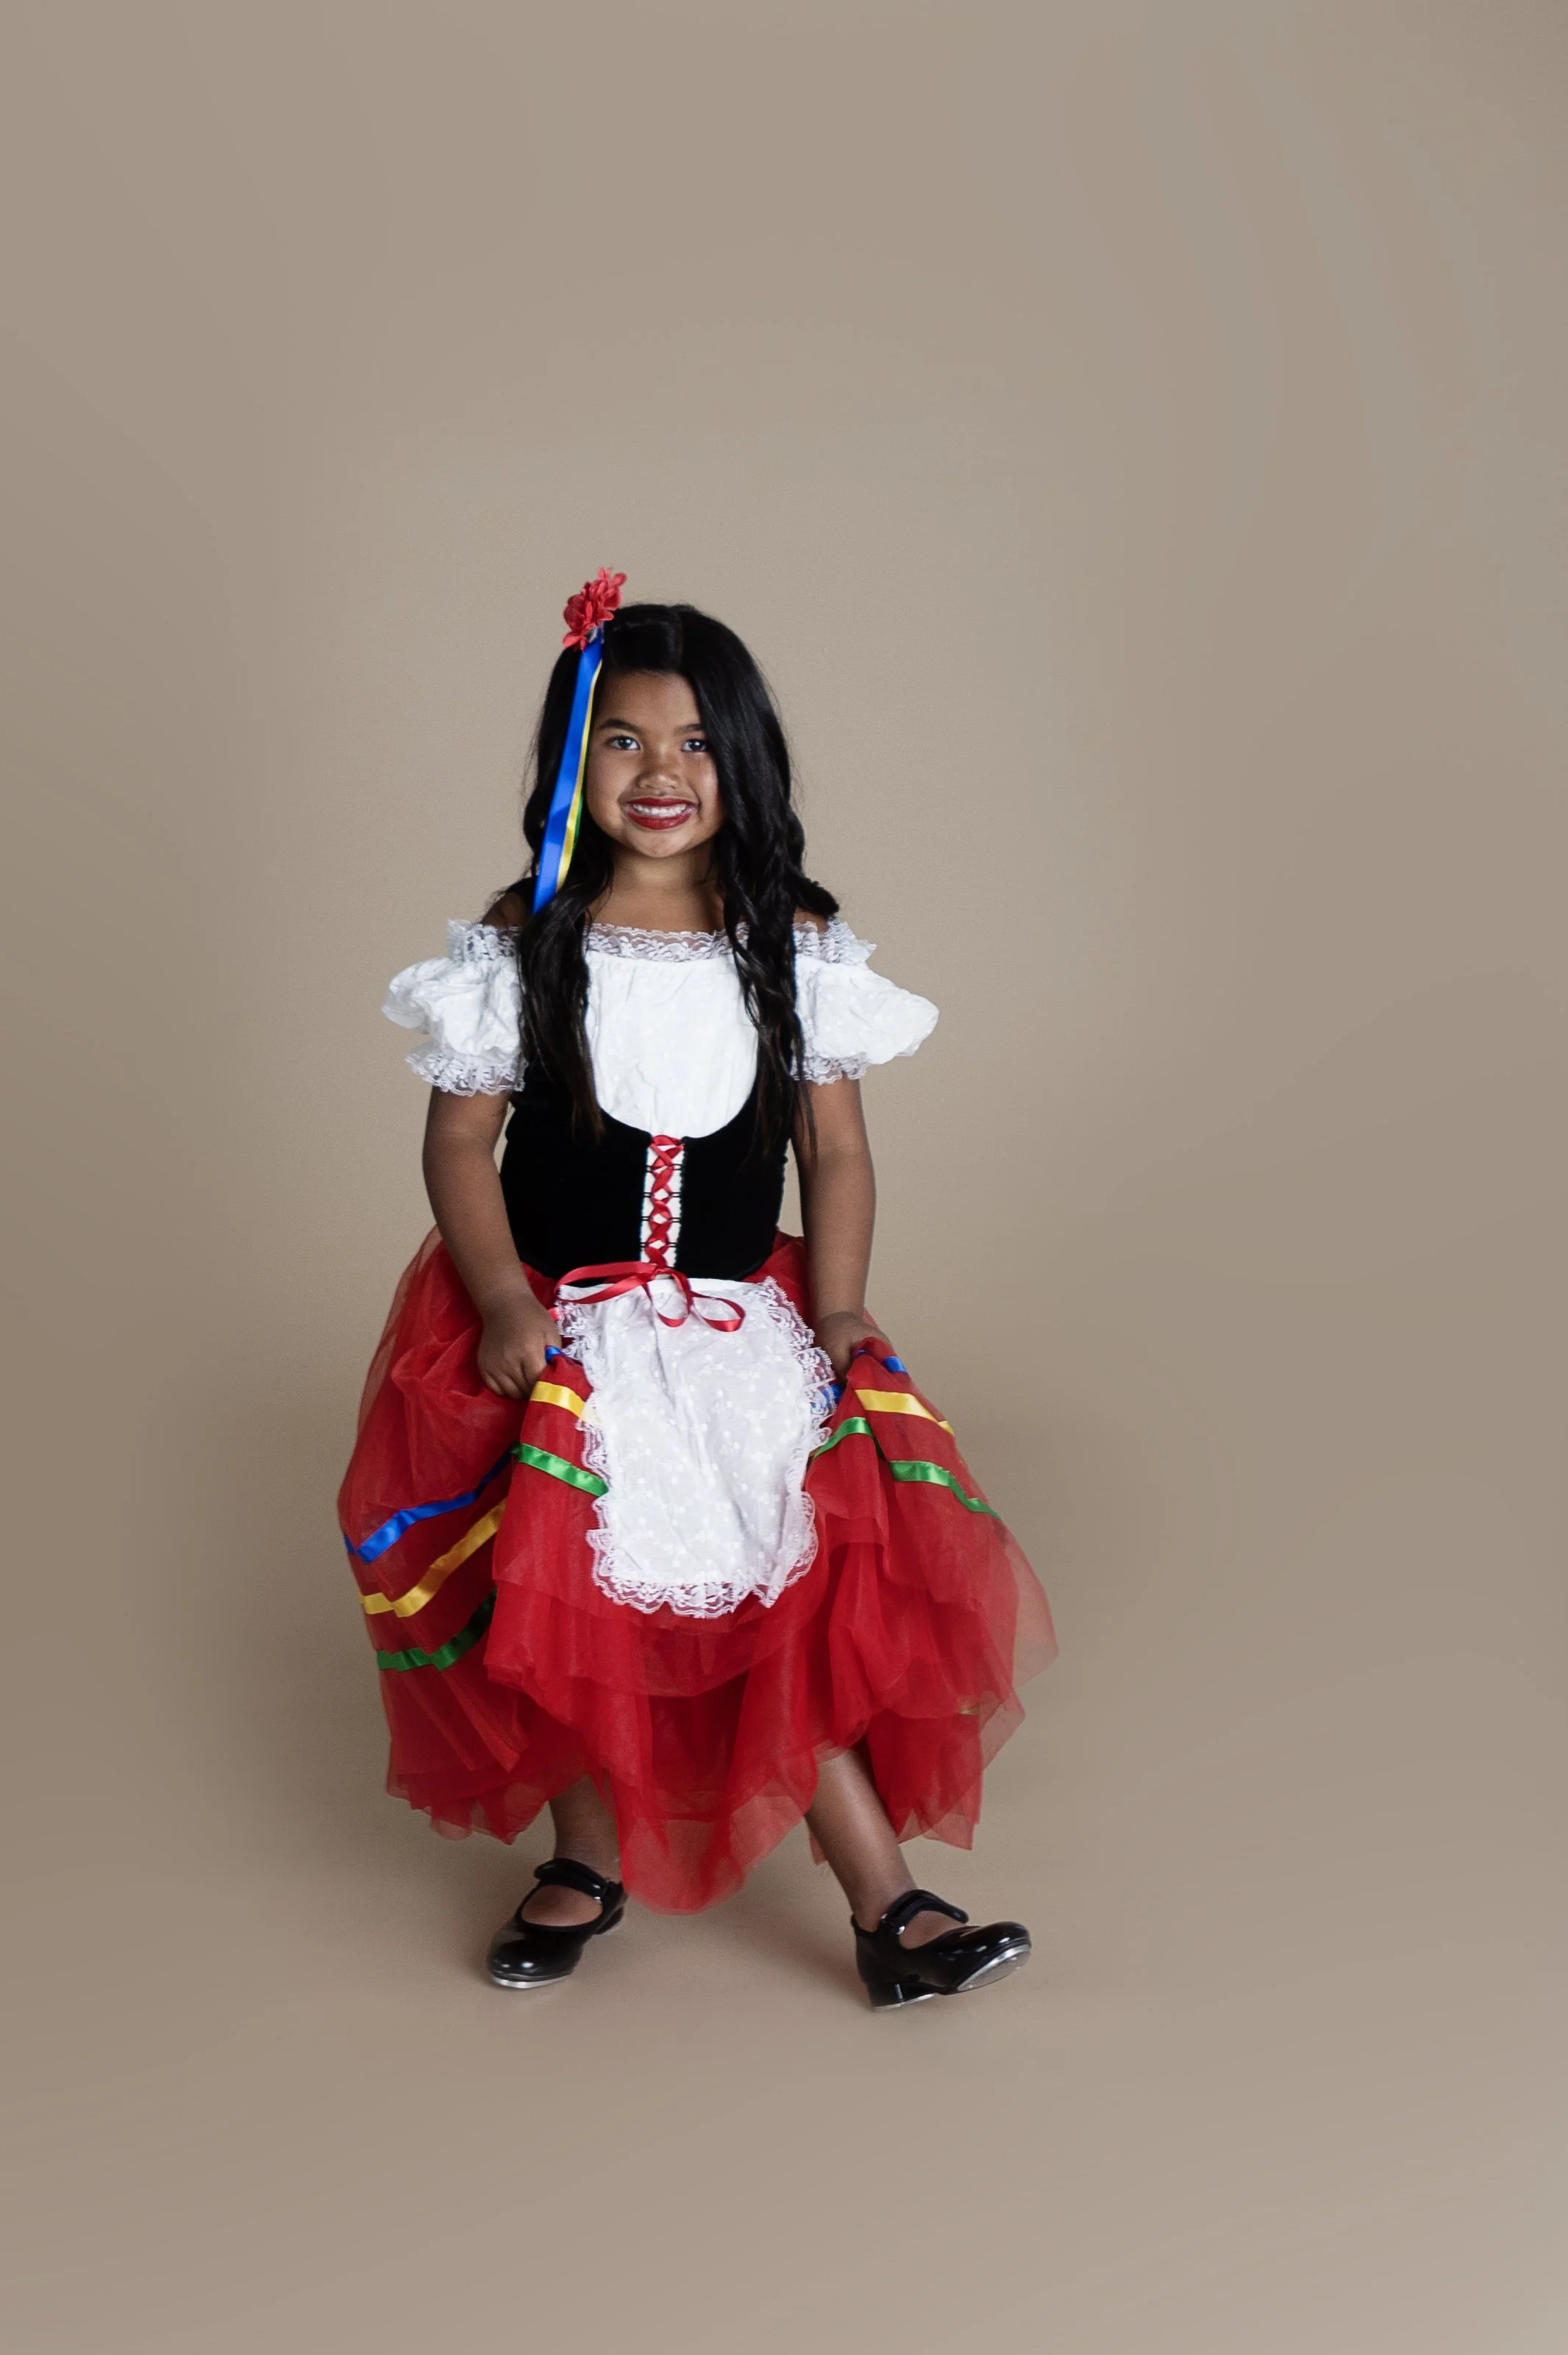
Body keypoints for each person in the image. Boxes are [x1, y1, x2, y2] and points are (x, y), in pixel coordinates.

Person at [338, 573, 1055, 2008]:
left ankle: (886, 1898)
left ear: (745, 759)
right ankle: (584, 1857)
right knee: (566, 1592)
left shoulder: (792, 946)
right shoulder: (525, 942)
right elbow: (459, 1143)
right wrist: (499, 1297)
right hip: (566, 1330)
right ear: (573, 761)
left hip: (737, 1335)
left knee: (779, 1595)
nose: (660, 772)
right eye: (622, 739)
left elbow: (835, 1151)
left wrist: (838, 1307)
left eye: (695, 742)